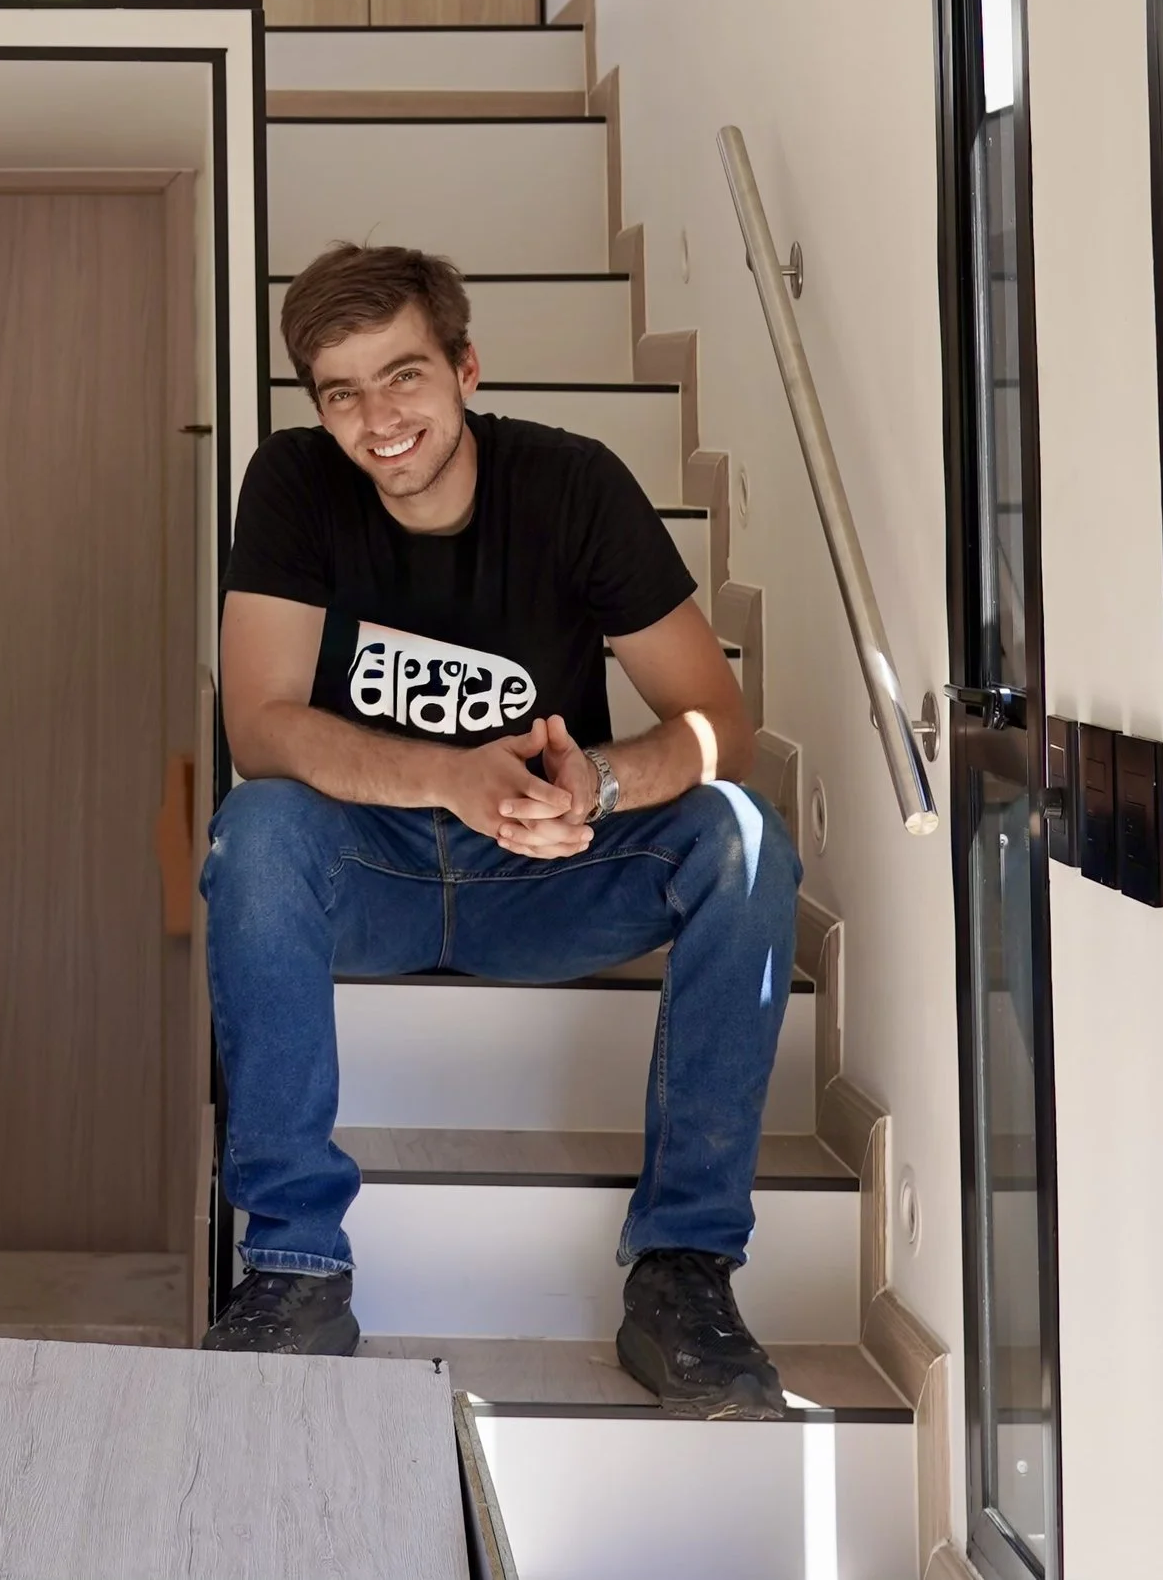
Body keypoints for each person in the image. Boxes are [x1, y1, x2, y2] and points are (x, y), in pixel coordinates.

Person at [199, 243, 801, 1420]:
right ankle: (292, 1268)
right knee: (255, 826)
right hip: (362, 875)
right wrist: (449, 780)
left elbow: (717, 721)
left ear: (466, 368)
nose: (377, 419)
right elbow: (258, 728)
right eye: (340, 393)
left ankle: (683, 1272)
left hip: (549, 876)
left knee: (743, 832)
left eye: (403, 376)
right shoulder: (291, 485)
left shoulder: (573, 486)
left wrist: (602, 788)